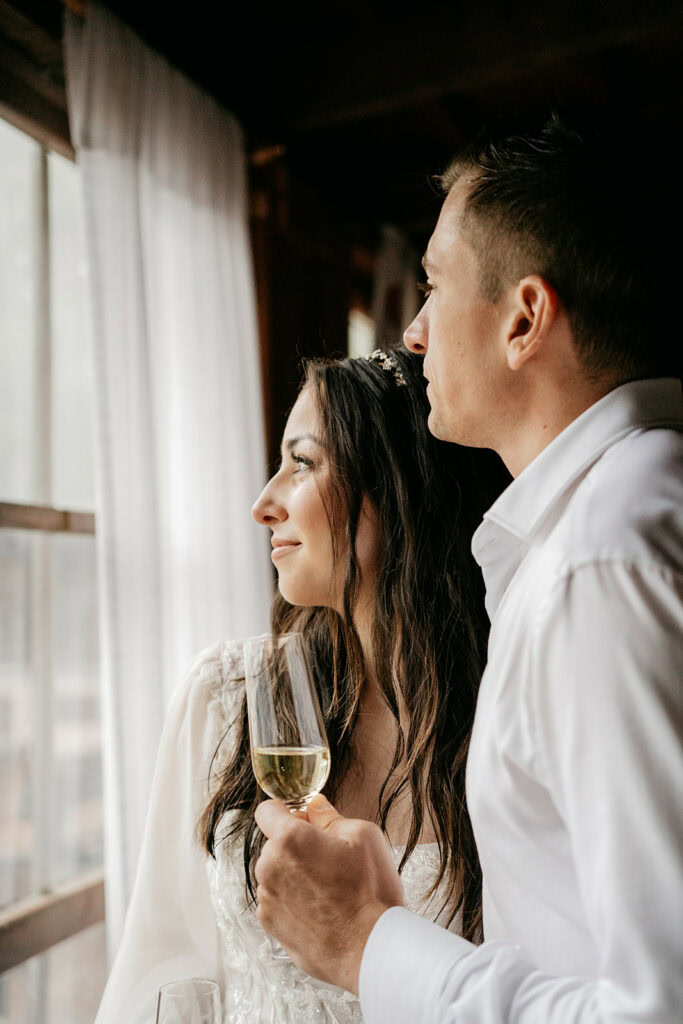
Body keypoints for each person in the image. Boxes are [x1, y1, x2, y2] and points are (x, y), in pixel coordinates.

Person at [254, 112, 683, 1022]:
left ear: (523, 318)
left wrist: (364, 942)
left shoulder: (603, 561)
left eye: (433, 285)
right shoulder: (606, 528)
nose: (412, 333)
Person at [93, 346, 509, 1023]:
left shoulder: (509, 716)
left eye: (303, 463)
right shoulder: (228, 696)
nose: (263, 505)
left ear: (399, 486)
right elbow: (161, 972)